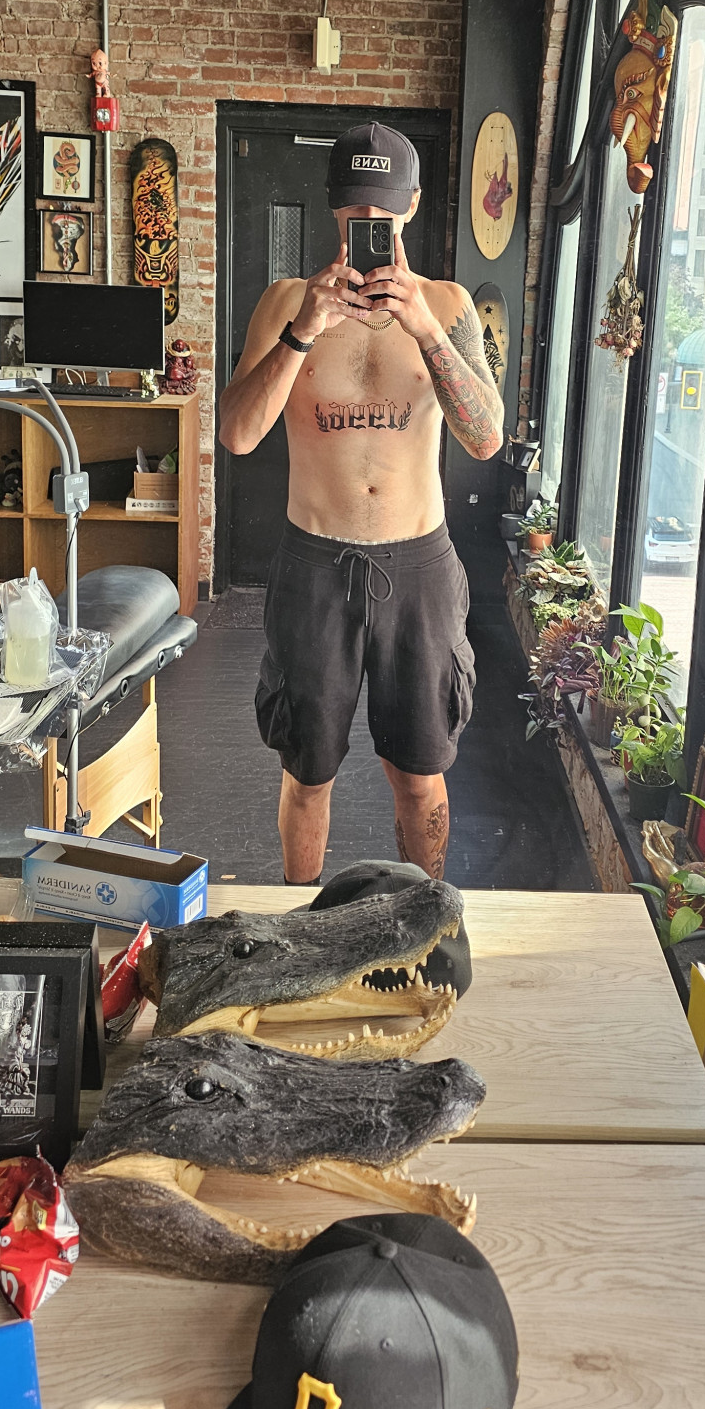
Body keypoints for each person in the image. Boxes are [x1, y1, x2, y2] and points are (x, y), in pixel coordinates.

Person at [218, 121, 505, 884]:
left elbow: (485, 438)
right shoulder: (285, 302)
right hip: (315, 565)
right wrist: (303, 332)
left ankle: (425, 917)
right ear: (333, 207)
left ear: (411, 205)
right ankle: (299, 926)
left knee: (419, 773)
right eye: (354, 209)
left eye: (383, 210)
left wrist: (424, 329)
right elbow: (238, 434)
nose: (369, 224)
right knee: (308, 772)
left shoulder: (446, 305)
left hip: (419, 568)